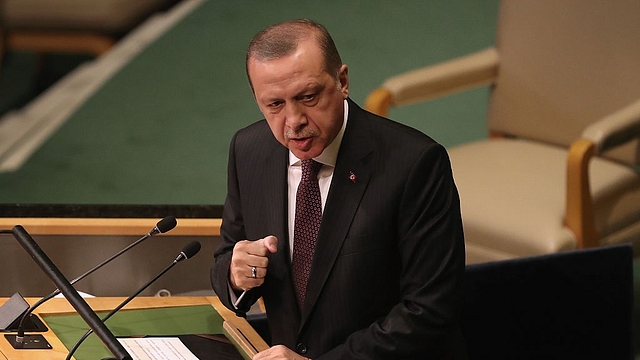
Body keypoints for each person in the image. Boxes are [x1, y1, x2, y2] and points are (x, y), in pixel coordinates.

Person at [211, 19, 467, 360]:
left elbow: (429, 308)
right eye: (274, 104)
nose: (293, 120)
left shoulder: (414, 164)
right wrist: (236, 275)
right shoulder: (249, 151)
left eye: (308, 97)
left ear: (342, 82)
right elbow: (228, 256)